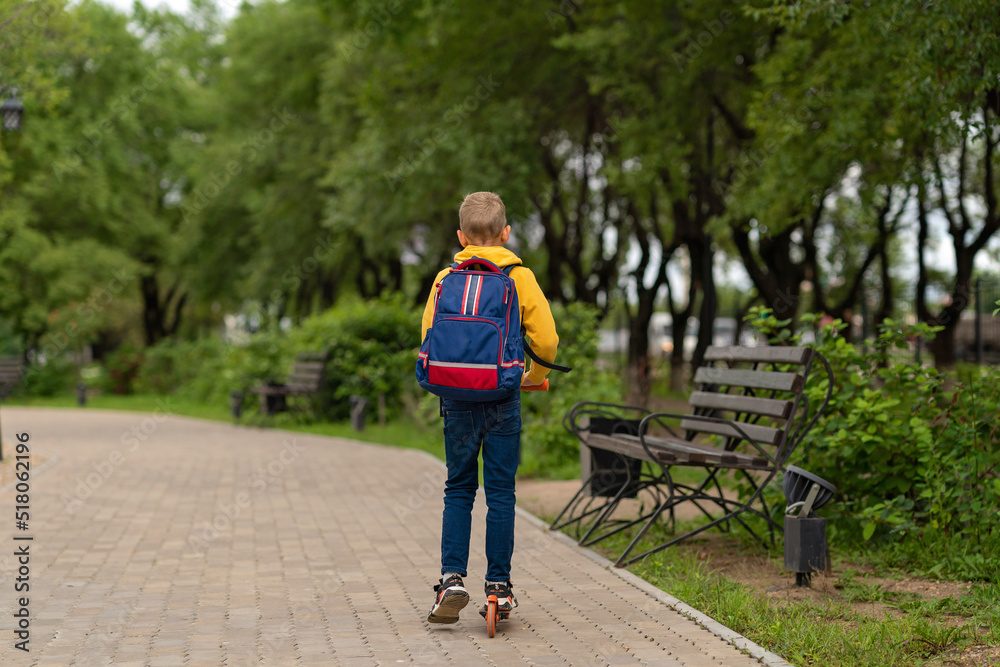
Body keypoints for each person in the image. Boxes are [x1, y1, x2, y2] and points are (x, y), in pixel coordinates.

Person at [421, 191, 559, 624]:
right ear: (507, 232)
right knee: (501, 493)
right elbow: (547, 340)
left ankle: (451, 580)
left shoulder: (446, 276)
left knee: (459, 488)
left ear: (461, 236)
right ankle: (498, 588)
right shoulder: (519, 276)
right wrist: (533, 377)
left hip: (457, 400)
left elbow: (429, 334)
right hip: (503, 396)